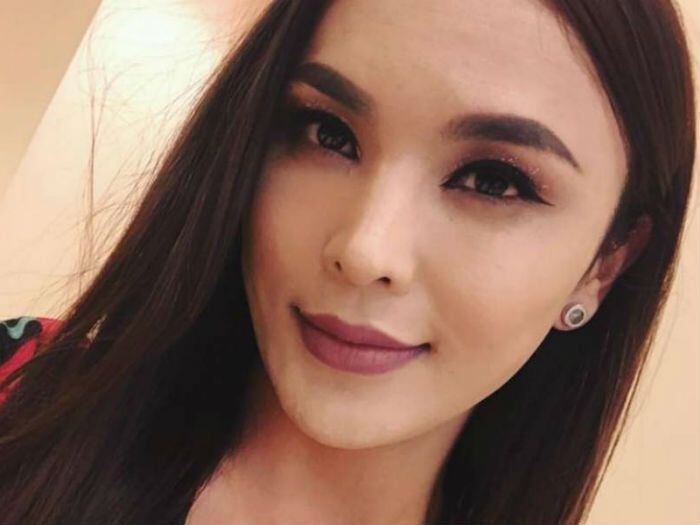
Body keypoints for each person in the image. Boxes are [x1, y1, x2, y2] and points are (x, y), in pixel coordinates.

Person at [0, 1, 695, 524]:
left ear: (604, 265)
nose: (365, 251)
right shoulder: (20, 396)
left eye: (494, 181)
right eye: (327, 133)